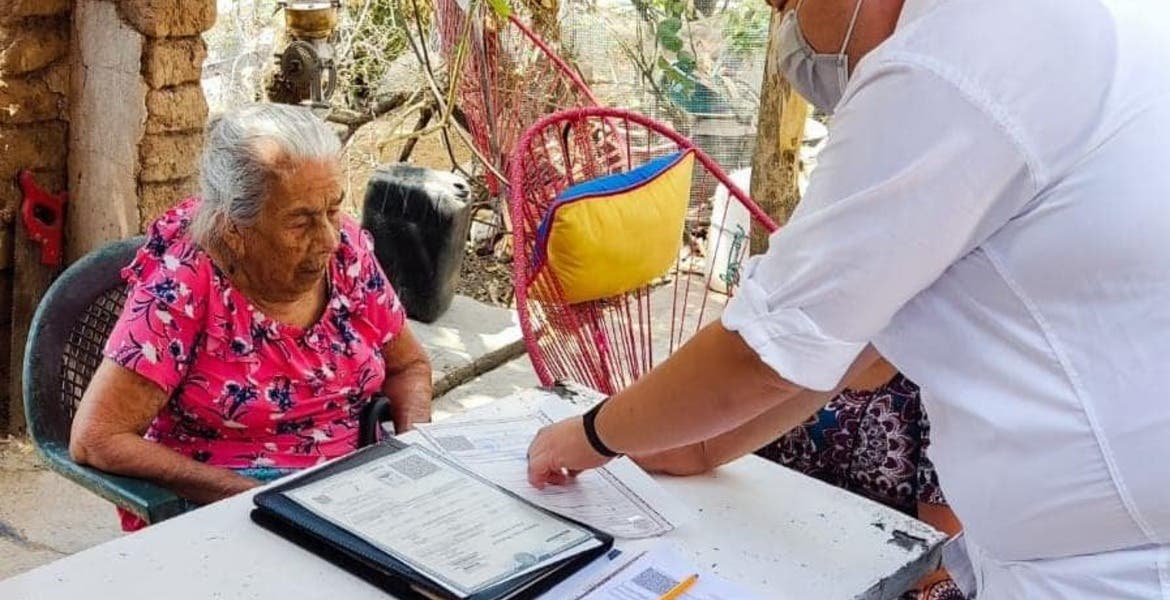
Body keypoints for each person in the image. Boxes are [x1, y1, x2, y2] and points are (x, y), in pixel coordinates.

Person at [527, 0, 1170, 597]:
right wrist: (703, 446)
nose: (789, 32)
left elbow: (768, 350)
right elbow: (849, 332)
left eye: (787, 3)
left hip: (1115, 566)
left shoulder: (949, 58)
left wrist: (590, 435)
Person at [70, 103, 433, 530]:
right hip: (223, 503)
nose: (328, 239)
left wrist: (413, 453)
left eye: (333, 210)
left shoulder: (347, 252)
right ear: (233, 229)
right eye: (300, 221)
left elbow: (409, 366)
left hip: (348, 490)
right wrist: (254, 498)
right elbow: (97, 438)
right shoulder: (184, 283)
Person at [638, 358, 964, 600]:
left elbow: (940, 557)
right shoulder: (792, 349)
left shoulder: (940, 383)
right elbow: (701, 446)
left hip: (873, 573)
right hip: (756, 543)